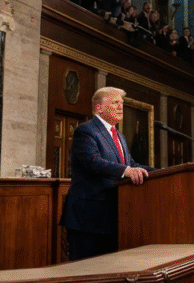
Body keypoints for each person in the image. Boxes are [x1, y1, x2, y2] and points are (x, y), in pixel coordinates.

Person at [59, 87, 151, 261]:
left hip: (112, 217)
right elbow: (92, 161)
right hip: (88, 218)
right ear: (99, 108)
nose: (120, 107)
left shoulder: (120, 136)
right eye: (115, 102)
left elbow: (131, 165)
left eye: (122, 103)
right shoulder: (86, 130)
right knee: (85, 271)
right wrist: (126, 171)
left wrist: (162, 171)